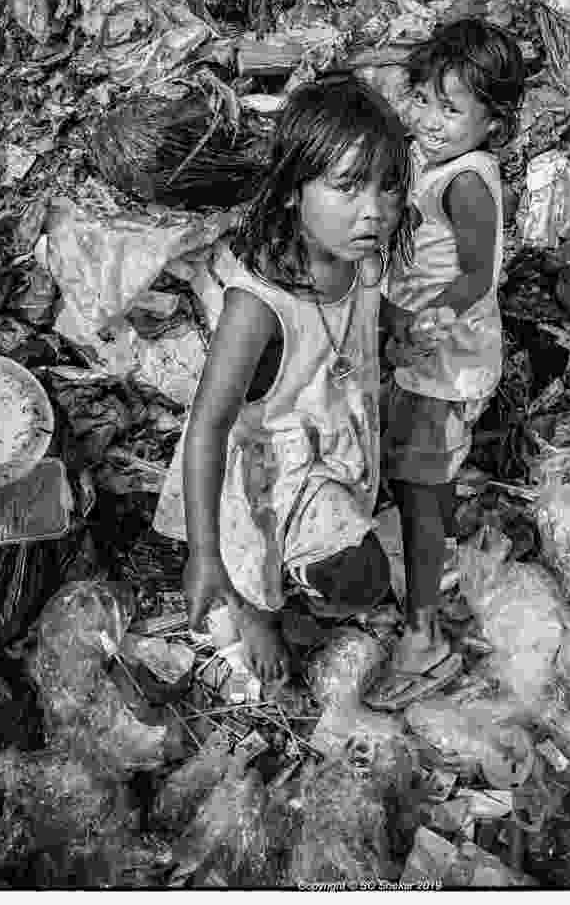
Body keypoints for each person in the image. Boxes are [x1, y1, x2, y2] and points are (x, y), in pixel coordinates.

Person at [152, 75, 414, 686]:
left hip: (331, 436)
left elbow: (363, 315)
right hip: (269, 469)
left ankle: (288, 583)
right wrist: (204, 554)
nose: (373, 210)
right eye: (348, 187)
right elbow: (209, 426)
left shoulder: (360, 255)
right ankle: (256, 611)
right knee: (308, 572)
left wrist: (399, 328)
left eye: (389, 188)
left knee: (355, 566)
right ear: (294, 191)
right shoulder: (260, 307)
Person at [379, 17, 525, 692]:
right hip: (417, 346)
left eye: (453, 108)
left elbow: (479, 276)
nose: (434, 120)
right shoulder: (420, 151)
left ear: (492, 122)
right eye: (428, 101)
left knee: (423, 481)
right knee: (415, 470)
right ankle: (433, 578)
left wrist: (427, 316)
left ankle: (424, 630)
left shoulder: (467, 181)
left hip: (448, 356)